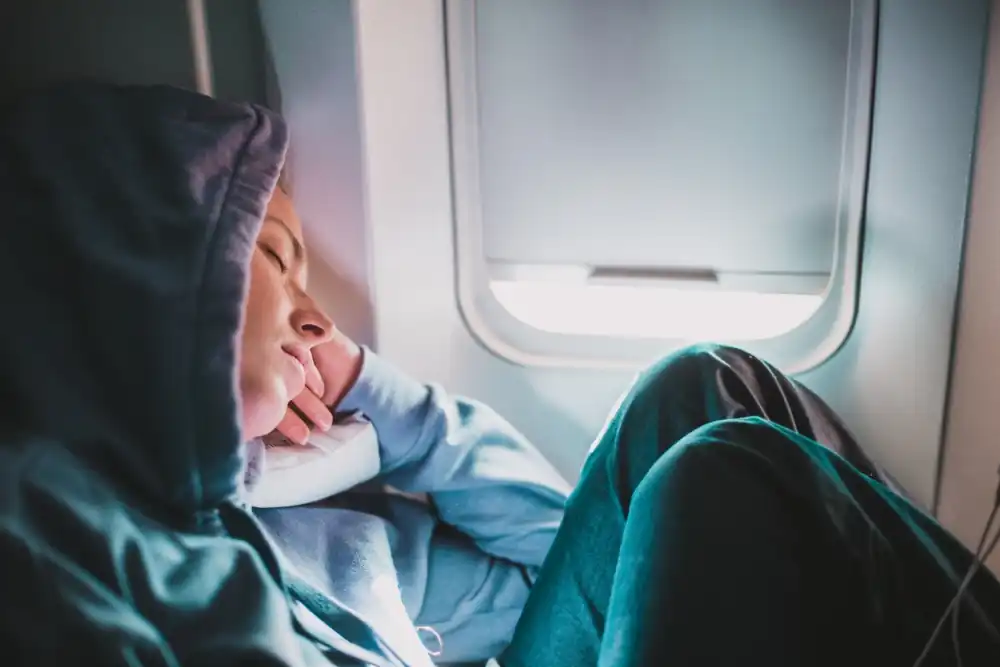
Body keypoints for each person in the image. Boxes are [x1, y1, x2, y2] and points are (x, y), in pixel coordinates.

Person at [1, 82, 998, 667]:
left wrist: (377, 397)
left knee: (702, 390)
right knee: (724, 474)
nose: (315, 315)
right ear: (148, 287)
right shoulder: (49, 524)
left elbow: (541, 557)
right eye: (270, 259)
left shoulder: (319, 524)